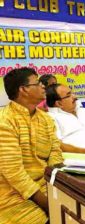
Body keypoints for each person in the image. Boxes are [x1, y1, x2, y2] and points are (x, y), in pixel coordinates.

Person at [0, 68, 63, 224]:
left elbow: (55, 152)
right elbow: (14, 173)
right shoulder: (5, 121)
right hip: (15, 196)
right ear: (24, 89)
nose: (43, 86)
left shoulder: (46, 119)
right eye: (38, 83)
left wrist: (56, 185)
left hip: (48, 185)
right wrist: (50, 206)